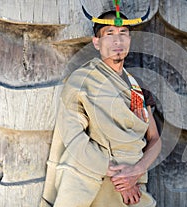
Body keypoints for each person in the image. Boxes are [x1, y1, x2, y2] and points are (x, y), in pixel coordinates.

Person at [40, 8, 161, 207]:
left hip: (133, 185)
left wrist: (136, 170)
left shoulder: (136, 90)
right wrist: (119, 177)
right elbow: (74, 137)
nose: (117, 41)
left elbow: (154, 138)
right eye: (109, 34)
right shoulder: (82, 82)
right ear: (97, 42)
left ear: (129, 40)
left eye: (123, 34)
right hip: (94, 181)